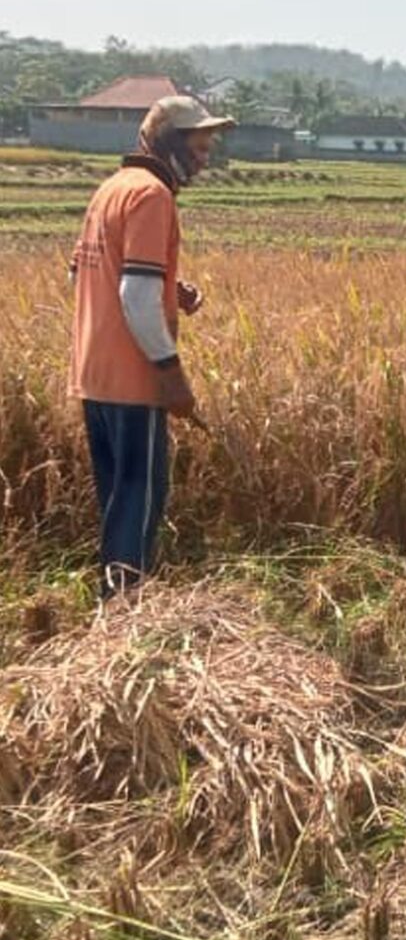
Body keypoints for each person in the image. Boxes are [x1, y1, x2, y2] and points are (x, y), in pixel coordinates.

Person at [69, 95, 235, 598]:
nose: (206, 158)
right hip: (133, 376)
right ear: (167, 143)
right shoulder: (152, 196)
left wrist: (168, 284)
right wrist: (170, 375)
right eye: (199, 146)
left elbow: (82, 270)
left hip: (94, 373)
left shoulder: (112, 189)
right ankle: (122, 610)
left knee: (118, 496)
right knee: (140, 498)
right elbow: (135, 295)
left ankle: (113, 602)